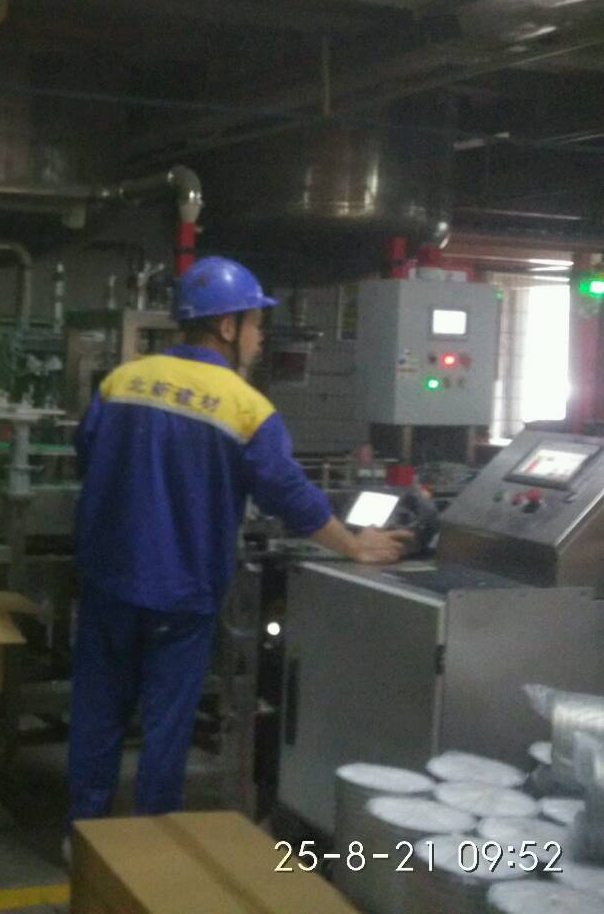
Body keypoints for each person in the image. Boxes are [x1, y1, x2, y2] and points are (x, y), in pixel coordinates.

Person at [67, 255, 409, 834]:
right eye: (254, 324)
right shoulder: (245, 406)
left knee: (96, 716)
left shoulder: (121, 381)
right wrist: (352, 545)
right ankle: (148, 846)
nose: (258, 338)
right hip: (182, 594)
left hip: (108, 581)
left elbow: (87, 454)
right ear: (226, 326)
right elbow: (289, 495)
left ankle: (83, 836)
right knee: (166, 728)